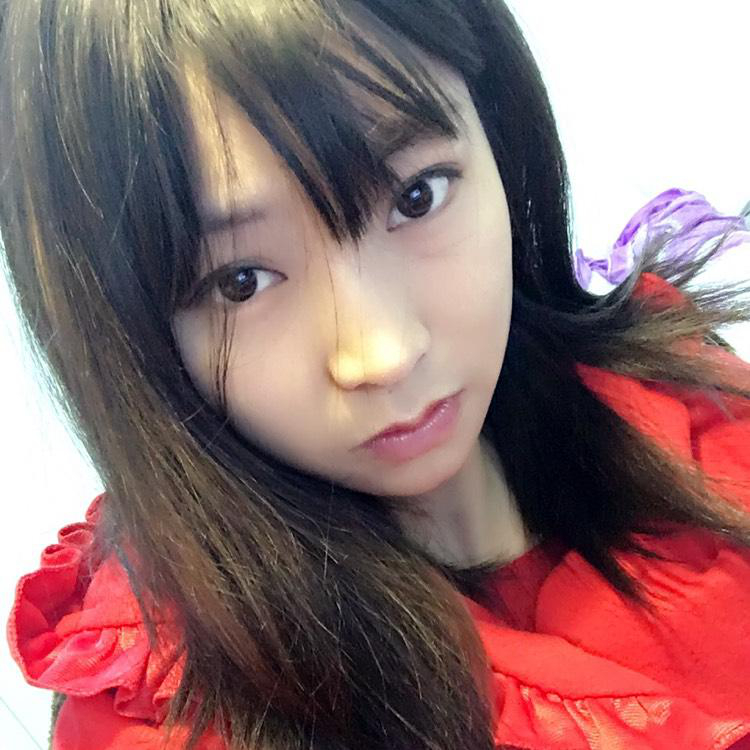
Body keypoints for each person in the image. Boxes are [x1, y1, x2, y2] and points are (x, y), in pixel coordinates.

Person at [3, 1, 750, 748]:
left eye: (417, 196)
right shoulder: (168, 722)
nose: (383, 352)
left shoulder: (677, 395)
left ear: (498, 131)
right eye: (239, 282)